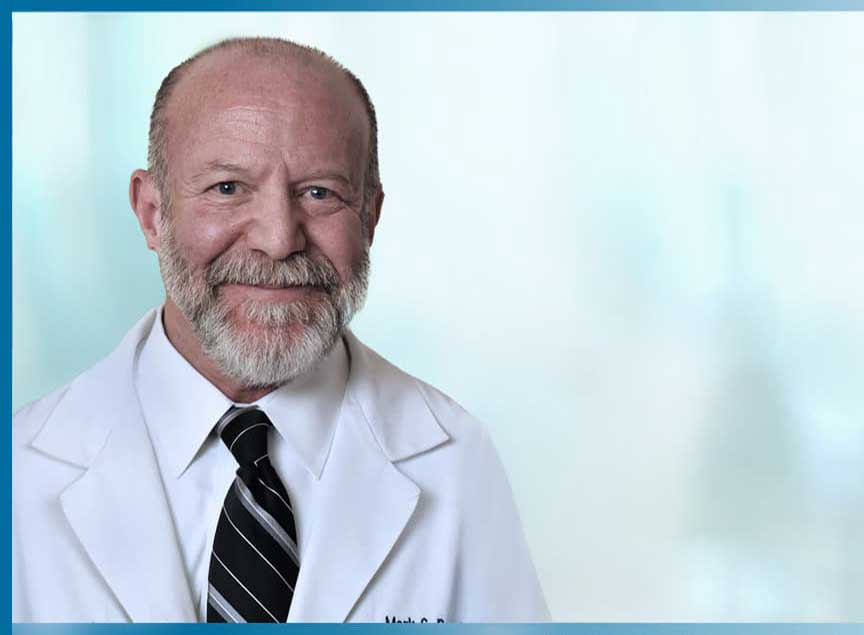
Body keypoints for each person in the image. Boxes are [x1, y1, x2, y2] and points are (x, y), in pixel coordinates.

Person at [11, 37, 549, 623]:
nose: (278, 238)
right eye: (227, 188)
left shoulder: (457, 461)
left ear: (369, 218)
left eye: (320, 193)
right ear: (152, 213)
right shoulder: (23, 469)